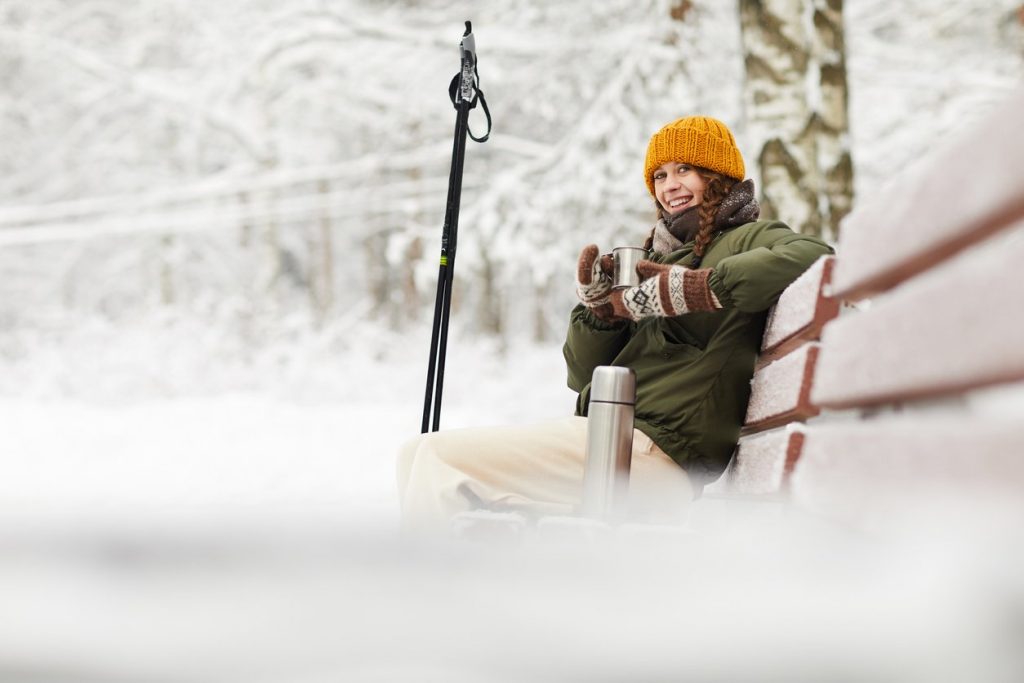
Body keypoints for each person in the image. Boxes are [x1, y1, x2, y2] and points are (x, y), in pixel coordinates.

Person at [397, 116, 833, 534]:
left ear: (717, 175)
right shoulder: (657, 257)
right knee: (413, 453)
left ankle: (434, 597)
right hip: (613, 438)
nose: (671, 185)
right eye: (659, 176)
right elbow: (582, 376)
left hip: (651, 456)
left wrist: (702, 288)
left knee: (438, 459)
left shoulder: (745, 238)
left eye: (685, 169)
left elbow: (816, 253)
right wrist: (599, 311)